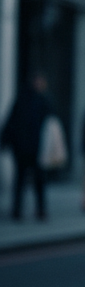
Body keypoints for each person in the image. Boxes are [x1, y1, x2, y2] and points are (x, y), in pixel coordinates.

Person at [1, 75, 53, 221]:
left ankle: (37, 209)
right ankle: (22, 210)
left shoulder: (42, 101)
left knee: (34, 180)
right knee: (25, 180)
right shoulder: (34, 101)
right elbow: (12, 122)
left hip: (32, 148)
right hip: (26, 147)